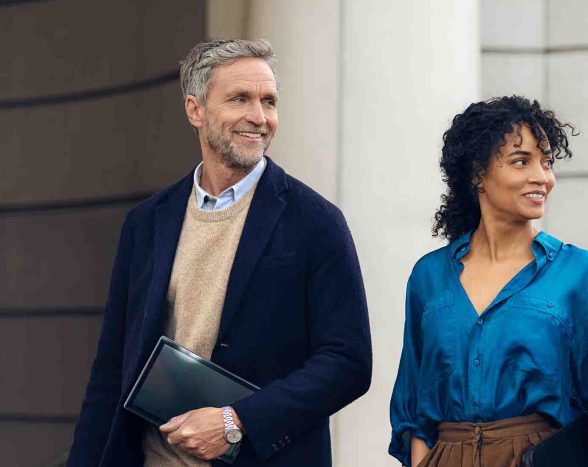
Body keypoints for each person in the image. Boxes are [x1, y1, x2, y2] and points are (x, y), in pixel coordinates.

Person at [67, 39, 372, 466]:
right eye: (240, 99)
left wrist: (237, 420)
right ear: (195, 110)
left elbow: (348, 363)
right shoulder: (147, 222)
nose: (259, 117)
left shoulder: (316, 222)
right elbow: (112, 367)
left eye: (269, 101)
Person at [388, 96, 588, 467]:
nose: (542, 177)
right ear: (477, 173)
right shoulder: (429, 278)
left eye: (546, 163)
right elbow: (416, 408)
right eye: (521, 161)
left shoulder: (578, 273)